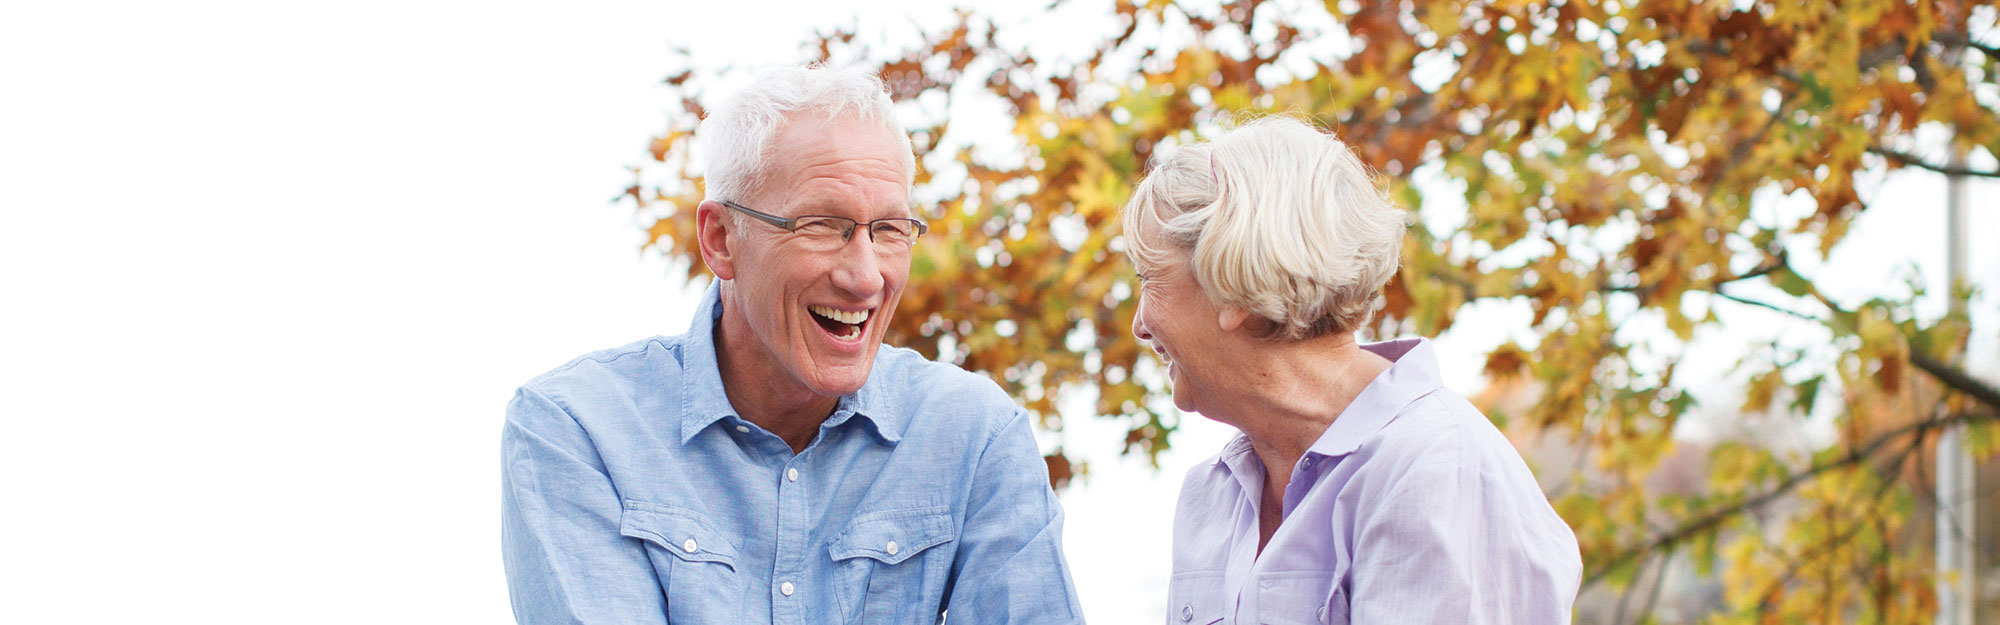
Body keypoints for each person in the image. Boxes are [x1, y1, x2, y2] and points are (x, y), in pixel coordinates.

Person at [501, 65, 1084, 625]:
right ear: (721, 239)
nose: (865, 277)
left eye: (889, 230)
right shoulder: (575, 429)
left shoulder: (974, 434)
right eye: (822, 226)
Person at [1121, 116, 1581, 624]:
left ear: (1229, 284)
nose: (1140, 326)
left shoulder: (1432, 470)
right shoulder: (1212, 493)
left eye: (1150, 278)